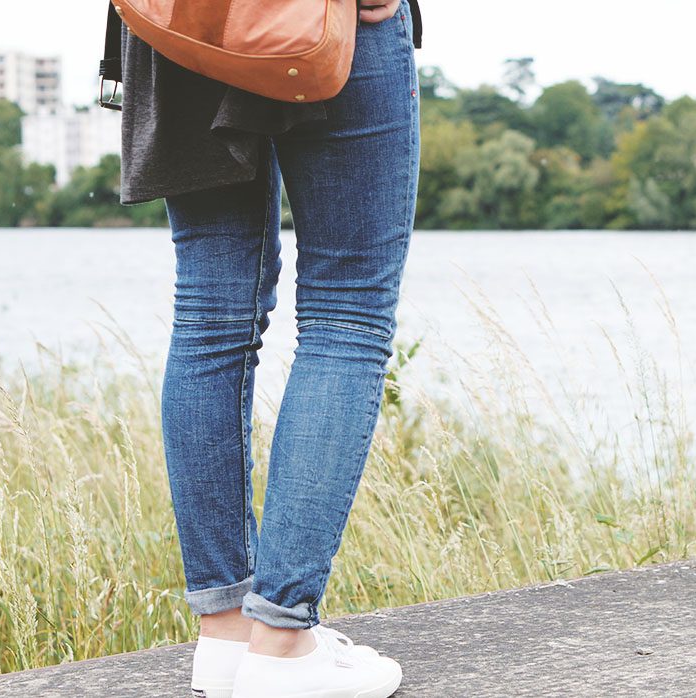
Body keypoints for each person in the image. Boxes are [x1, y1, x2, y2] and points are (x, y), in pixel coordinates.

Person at [115, 2, 422, 696]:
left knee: (210, 315)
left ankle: (227, 638)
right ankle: (282, 644)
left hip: (178, 23)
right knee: (347, 313)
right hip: (319, 19)